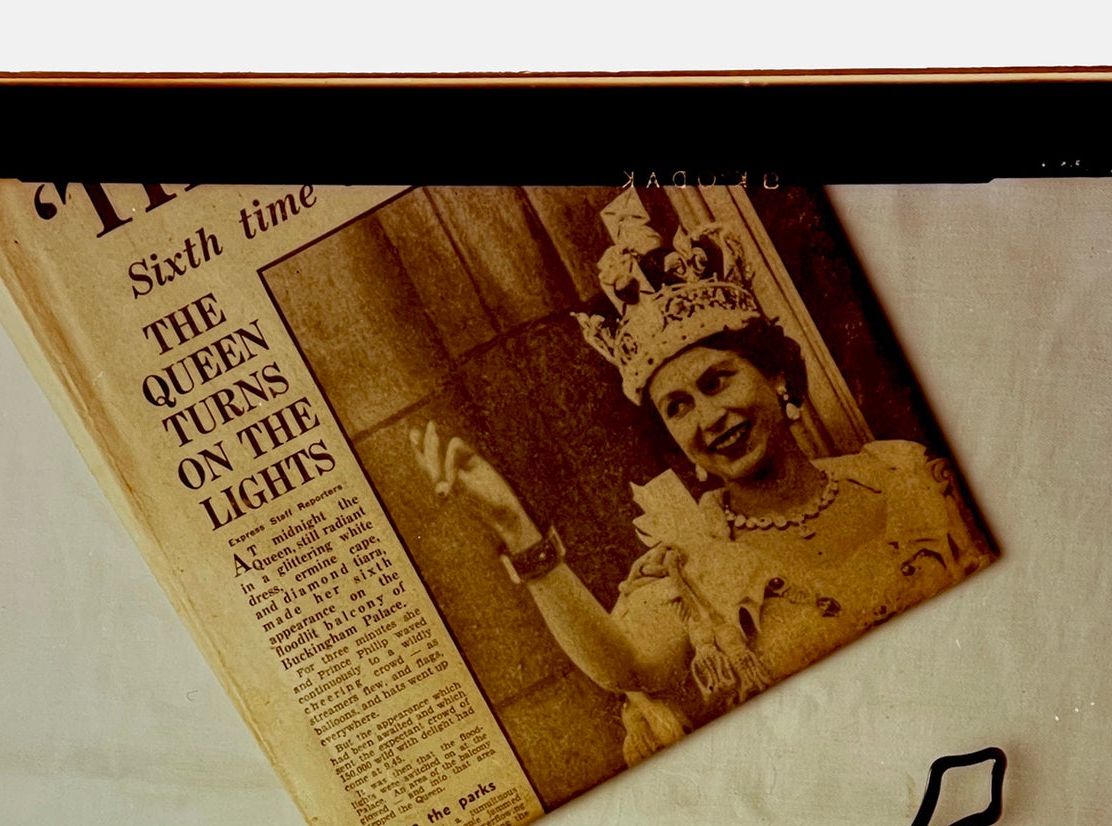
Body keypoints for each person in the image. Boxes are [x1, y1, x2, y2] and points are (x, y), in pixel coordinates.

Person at [412, 220, 992, 766]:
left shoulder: (906, 478)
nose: (708, 417)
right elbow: (627, 666)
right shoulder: (690, 568)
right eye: (678, 407)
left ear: (776, 376)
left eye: (717, 382)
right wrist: (520, 533)